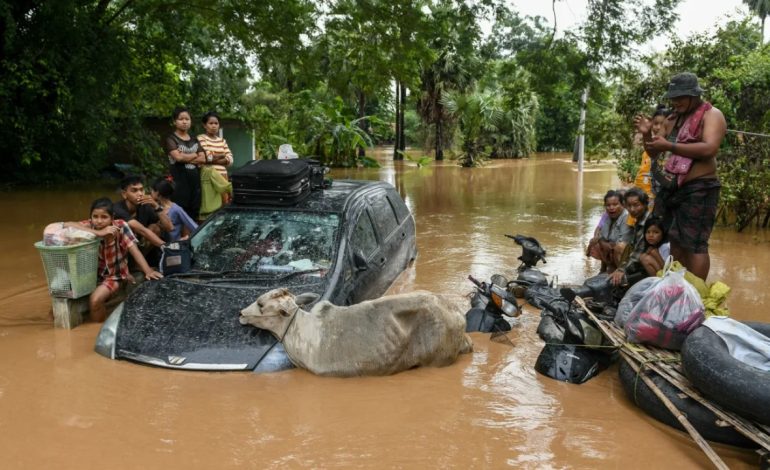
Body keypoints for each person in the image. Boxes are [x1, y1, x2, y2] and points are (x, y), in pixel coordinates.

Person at [634, 72, 726, 280]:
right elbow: (654, 152)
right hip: (674, 187)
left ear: (694, 95)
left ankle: (697, 293)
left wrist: (670, 146)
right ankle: (679, 287)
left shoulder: (712, 115)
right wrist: (647, 134)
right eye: (673, 98)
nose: (675, 102)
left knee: (695, 244)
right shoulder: (672, 119)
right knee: (676, 239)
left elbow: (709, 149)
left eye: (680, 98)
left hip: (700, 188)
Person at [65, 198, 162, 321]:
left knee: (95, 300)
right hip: (92, 276)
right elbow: (66, 225)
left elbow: (134, 250)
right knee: (58, 305)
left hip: (114, 276)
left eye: (104, 217)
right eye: (95, 216)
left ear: (112, 218)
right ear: (91, 217)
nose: (99, 221)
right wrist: (97, 233)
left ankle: (97, 331)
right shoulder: (89, 226)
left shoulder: (121, 226)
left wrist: (148, 271)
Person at [165, 106, 206, 220]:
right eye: (181, 119)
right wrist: (194, 155)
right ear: (174, 121)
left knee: (194, 214)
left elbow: (203, 158)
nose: (184, 122)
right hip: (179, 185)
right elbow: (177, 158)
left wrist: (184, 156)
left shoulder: (194, 139)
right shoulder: (171, 139)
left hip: (195, 185)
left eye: (187, 119)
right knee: (180, 215)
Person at [114, 175, 171, 250]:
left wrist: (156, 206)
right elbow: (142, 230)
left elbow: (169, 227)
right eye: (134, 190)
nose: (140, 194)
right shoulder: (118, 209)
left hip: (140, 245)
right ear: (124, 194)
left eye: (141, 190)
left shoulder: (145, 206)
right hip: (121, 248)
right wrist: (167, 247)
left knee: (155, 227)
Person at [609, 188, 650, 286]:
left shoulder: (648, 223)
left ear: (645, 204)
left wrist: (622, 270)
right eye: (629, 206)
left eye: (636, 205)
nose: (632, 209)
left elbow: (639, 252)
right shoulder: (638, 220)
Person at [586, 190, 633, 273]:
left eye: (615, 204)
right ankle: (607, 268)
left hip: (626, 253)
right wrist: (598, 240)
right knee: (595, 243)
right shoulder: (607, 215)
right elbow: (600, 231)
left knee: (619, 247)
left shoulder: (626, 217)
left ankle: (622, 273)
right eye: (608, 205)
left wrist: (605, 243)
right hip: (610, 246)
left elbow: (622, 242)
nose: (611, 208)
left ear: (622, 204)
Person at [634, 105, 671, 208]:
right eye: (655, 124)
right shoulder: (650, 148)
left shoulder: (674, 146)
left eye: (662, 124)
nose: (658, 127)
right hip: (652, 196)